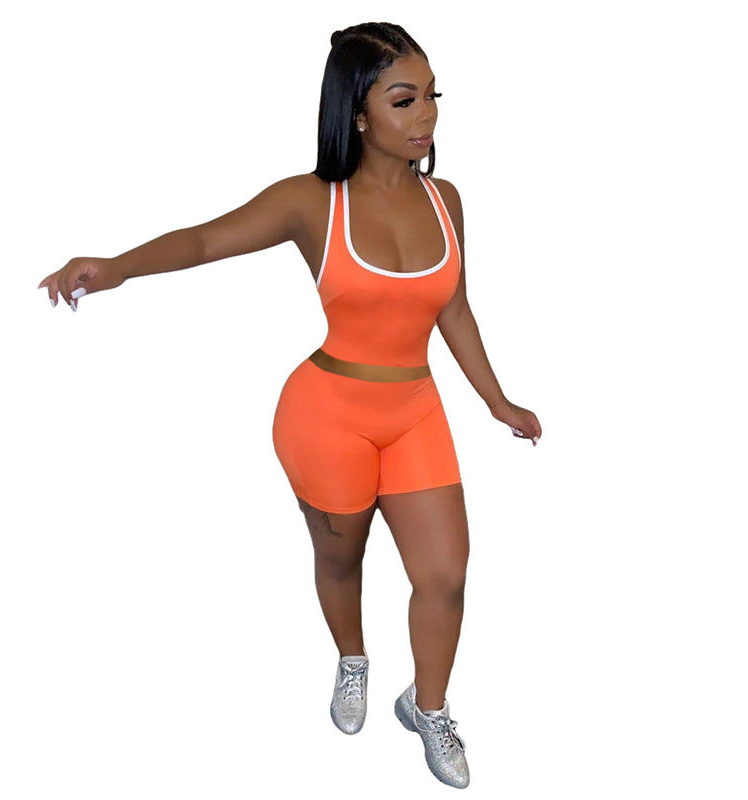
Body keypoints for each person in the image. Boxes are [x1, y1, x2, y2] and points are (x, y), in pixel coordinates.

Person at [37, 21, 541, 790]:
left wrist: (497, 400)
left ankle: (428, 706)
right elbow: (206, 241)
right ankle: (352, 659)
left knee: (445, 575)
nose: (427, 115)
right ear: (358, 113)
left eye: (432, 96)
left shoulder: (447, 201)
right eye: (404, 100)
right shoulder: (313, 201)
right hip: (327, 417)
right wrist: (118, 267)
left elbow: (455, 310)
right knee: (341, 558)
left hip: (415, 413)